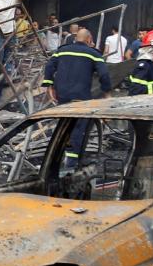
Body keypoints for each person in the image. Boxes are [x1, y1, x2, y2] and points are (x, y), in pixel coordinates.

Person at [42, 28, 112, 168]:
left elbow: (49, 66)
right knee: (78, 128)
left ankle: (58, 158)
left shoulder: (62, 50)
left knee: (64, 124)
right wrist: (107, 93)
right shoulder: (93, 53)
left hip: (62, 95)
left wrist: (49, 85)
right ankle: (72, 163)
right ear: (88, 39)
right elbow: (104, 74)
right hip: (80, 97)